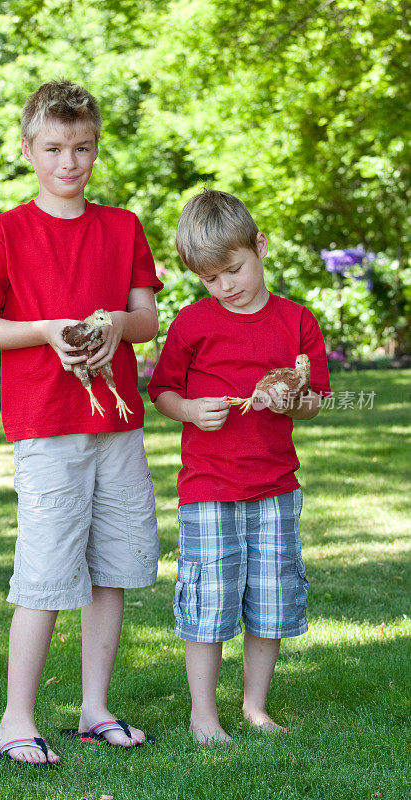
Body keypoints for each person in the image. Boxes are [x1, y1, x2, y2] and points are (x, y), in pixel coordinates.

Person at [0, 80, 163, 764]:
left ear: (95, 146)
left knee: (110, 570)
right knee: (45, 573)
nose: (68, 162)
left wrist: (110, 323)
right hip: (47, 426)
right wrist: (45, 329)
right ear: (27, 149)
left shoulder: (122, 226)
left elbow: (146, 319)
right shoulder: (4, 232)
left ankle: (94, 709)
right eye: (53, 148)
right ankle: (16, 718)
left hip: (118, 427)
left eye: (81, 148)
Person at [147, 190, 330, 745]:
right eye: (210, 279)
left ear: (261, 246)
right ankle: (203, 713)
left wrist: (290, 399)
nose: (225, 286)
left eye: (234, 269)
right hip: (210, 488)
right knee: (209, 597)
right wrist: (189, 411)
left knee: (269, 598)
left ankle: (255, 706)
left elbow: (317, 398)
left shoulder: (297, 322)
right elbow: (162, 390)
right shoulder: (192, 324)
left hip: (275, 486)